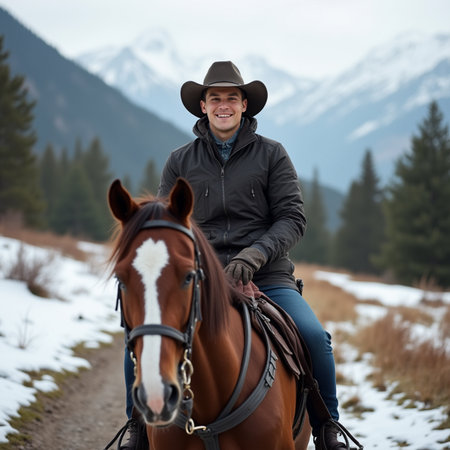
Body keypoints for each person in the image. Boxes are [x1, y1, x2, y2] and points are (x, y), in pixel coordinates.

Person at [121, 61, 349, 450]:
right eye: (214, 98)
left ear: (245, 105)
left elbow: (293, 218)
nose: (222, 105)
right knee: (141, 337)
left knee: (314, 337)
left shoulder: (272, 155)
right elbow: (165, 222)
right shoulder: (180, 161)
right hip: (200, 276)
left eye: (231, 98)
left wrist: (255, 254)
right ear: (203, 107)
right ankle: (138, 427)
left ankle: (328, 426)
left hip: (267, 276)